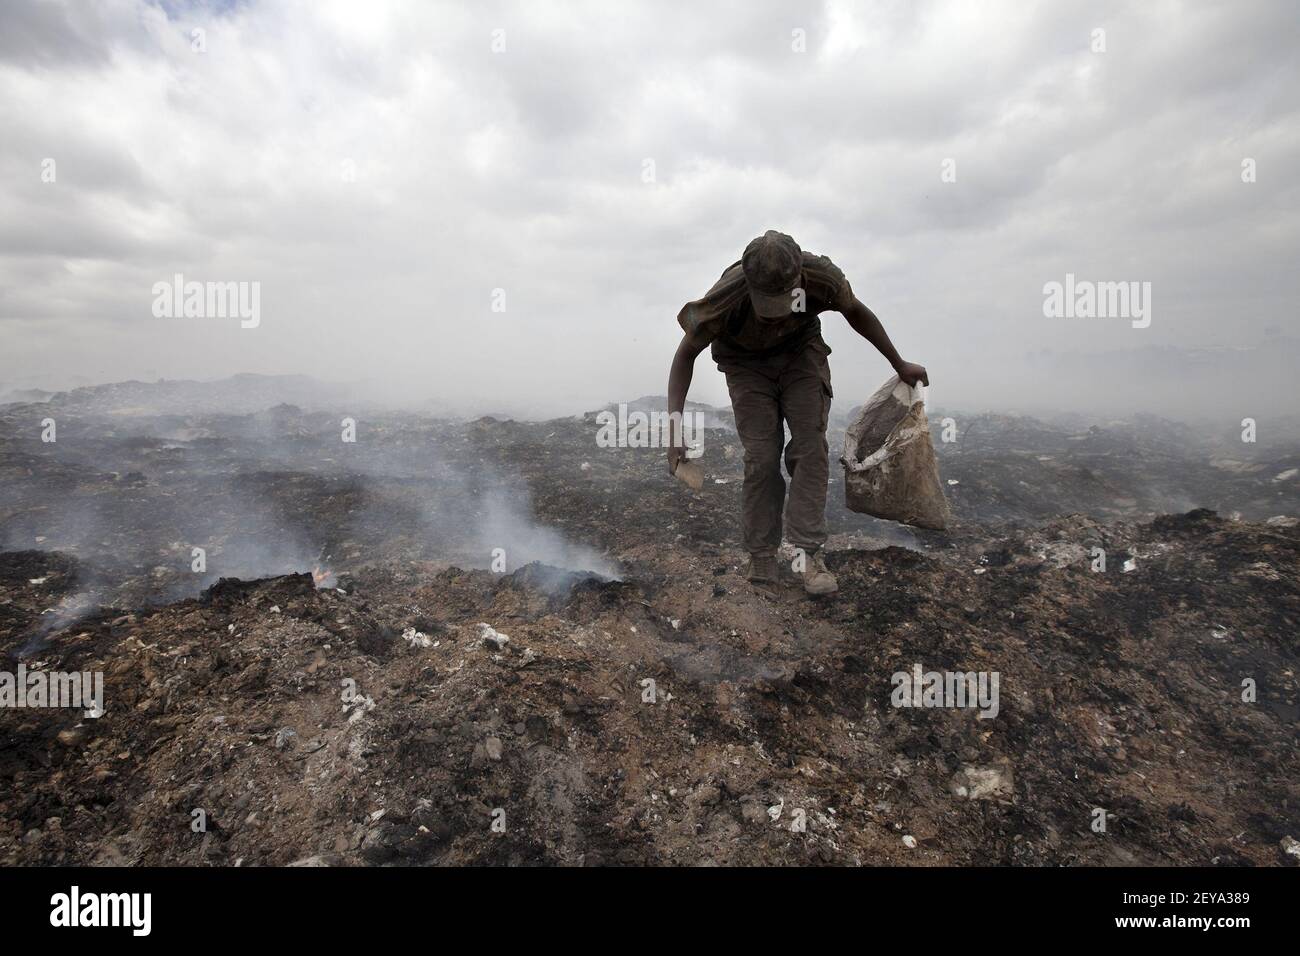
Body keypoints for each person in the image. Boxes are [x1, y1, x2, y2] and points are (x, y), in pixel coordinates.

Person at [667, 230, 928, 595]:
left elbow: (856, 313)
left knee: (810, 448)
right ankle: (761, 556)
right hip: (746, 367)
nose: (773, 314)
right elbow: (685, 355)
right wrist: (674, 430)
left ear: (797, 282)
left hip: (801, 355)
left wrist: (899, 364)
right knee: (761, 457)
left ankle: (807, 555)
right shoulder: (726, 297)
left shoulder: (822, 278)